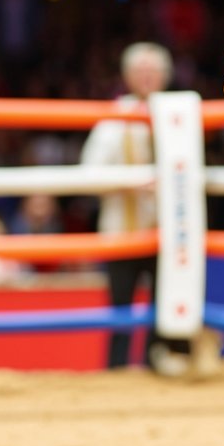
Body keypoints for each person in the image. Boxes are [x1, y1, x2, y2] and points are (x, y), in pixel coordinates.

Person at [80, 42, 194, 375]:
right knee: (121, 308)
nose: (146, 77)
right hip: (122, 229)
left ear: (166, 75)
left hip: (170, 232)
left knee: (165, 305)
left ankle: (156, 367)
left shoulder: (178, 113)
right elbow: (90, 172)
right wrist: (131, 182)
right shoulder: (116, 116)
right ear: (128, 76)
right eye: (140, 71)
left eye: (153, 71)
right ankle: (115, 371)